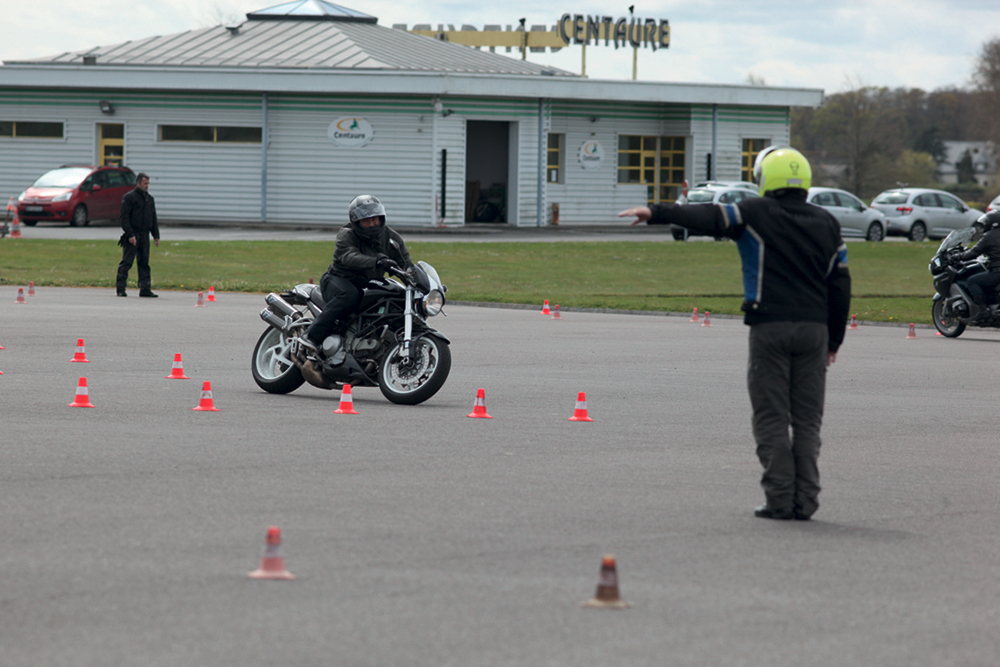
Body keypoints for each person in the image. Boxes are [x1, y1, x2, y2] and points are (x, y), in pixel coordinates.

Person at [618, 147, 851, 521]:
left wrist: (656, 213)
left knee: (772, 417)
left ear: (765, 179)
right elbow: (841, 285)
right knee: (807, 421)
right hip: (815, 331)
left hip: (770, 328)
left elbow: (708, 216)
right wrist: (834, 341)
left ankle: (779, 499)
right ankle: (805, 501)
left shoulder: (754, 212)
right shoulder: (827, 222)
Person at [301, 194, 412, 352]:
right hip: (338, 279)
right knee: (349, 295)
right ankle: (311, 336)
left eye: (375, 219)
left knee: (396, 295)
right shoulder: (347, 234)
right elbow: (349, 256)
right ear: (356, 221)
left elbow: (406, 265)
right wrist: (376, 261)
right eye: (367, 221)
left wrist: (423, 284)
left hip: (368, 283)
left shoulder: (392, 239)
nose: (373, 224)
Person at [116, 172, 160, 297]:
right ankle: (120, 288)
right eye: (145, 183)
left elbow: (153, 218)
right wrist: (130, 235)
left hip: (144, 235)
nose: (147, 186)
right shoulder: (129, 198)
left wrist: (156, 235)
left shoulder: (149, 199)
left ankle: (145, 288)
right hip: (132, 235)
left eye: (148, 184)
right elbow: (124, 218)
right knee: (127, 262)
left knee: (144, 263)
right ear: (138, 183)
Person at [955, 210, 1000, 322]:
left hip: (997, 273)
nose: (983, 226)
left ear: (992, 224)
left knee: (972, 281)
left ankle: (983, 311)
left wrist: (958, 256)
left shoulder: (989, 236)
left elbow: (974, 252)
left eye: (986, 223)